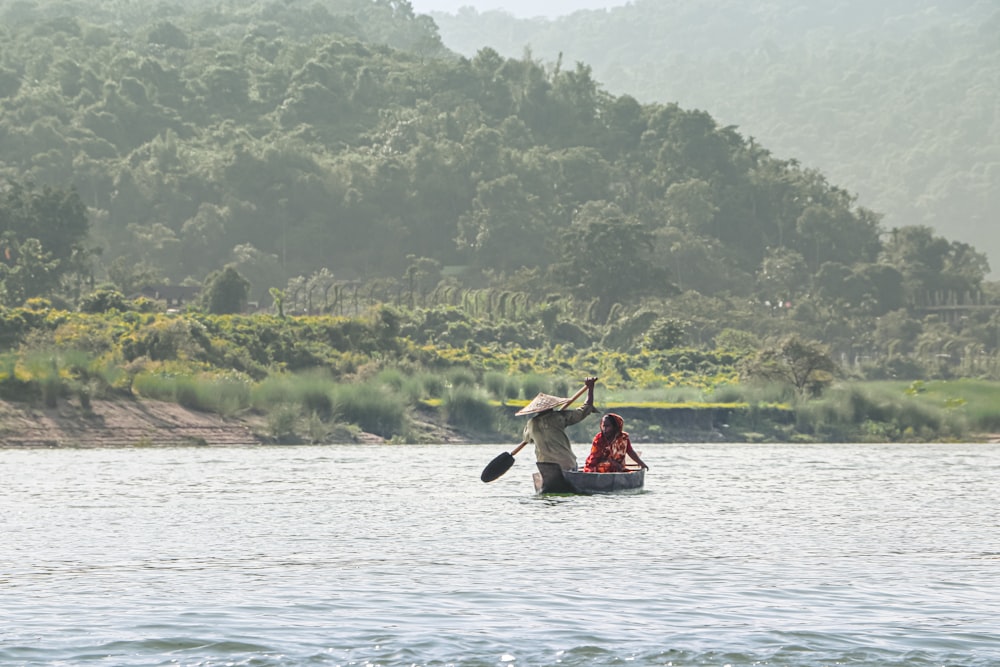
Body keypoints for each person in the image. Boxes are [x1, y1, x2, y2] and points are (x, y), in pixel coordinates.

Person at [518, 376, 598, 471]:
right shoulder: (559, 417)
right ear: (551, 407)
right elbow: (586, 409)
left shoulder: (530, 424)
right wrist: (590, 388)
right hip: (567, 464)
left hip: (544, 467)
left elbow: (527, 439)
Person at [583, 412, 649, 473]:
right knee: (605, 466)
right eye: (603, 426)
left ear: (615, 427)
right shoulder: (599, 438)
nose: (604, 429)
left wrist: (641, 464)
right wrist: (613, 463)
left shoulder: (623, 438)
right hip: (599, 466)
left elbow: (630, 451)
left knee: (618, 468)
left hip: (618, 467)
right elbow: (596, 457)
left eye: (607, 426)